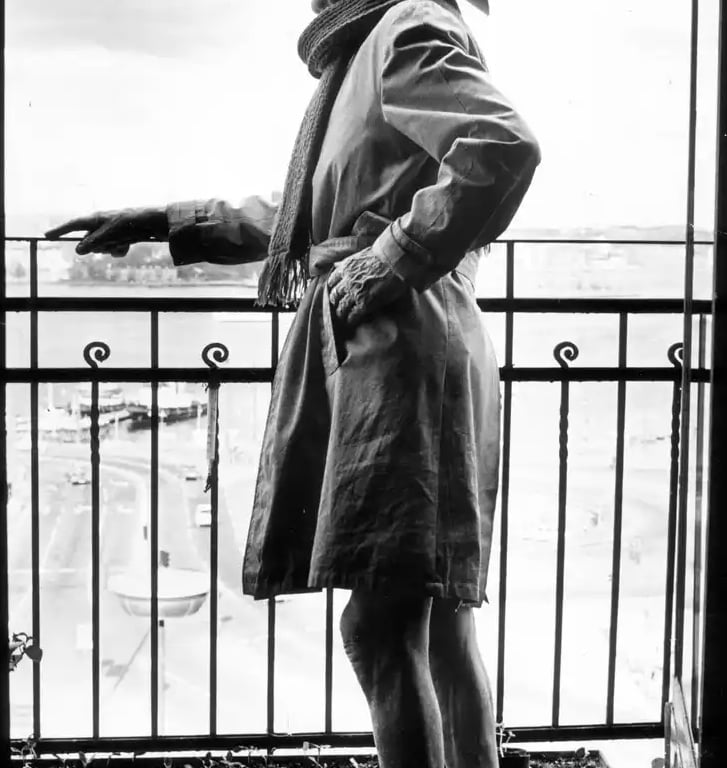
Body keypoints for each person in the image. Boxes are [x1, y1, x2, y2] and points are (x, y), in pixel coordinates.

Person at [47, 1, 540, 766]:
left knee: (377, 628)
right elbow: (304, 215)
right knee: (440, 623)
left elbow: (500, 145)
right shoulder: (372, 47)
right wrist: (163, 221)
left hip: (401, 348)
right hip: (410, 341)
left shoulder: (403, 24)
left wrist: (391, 260)